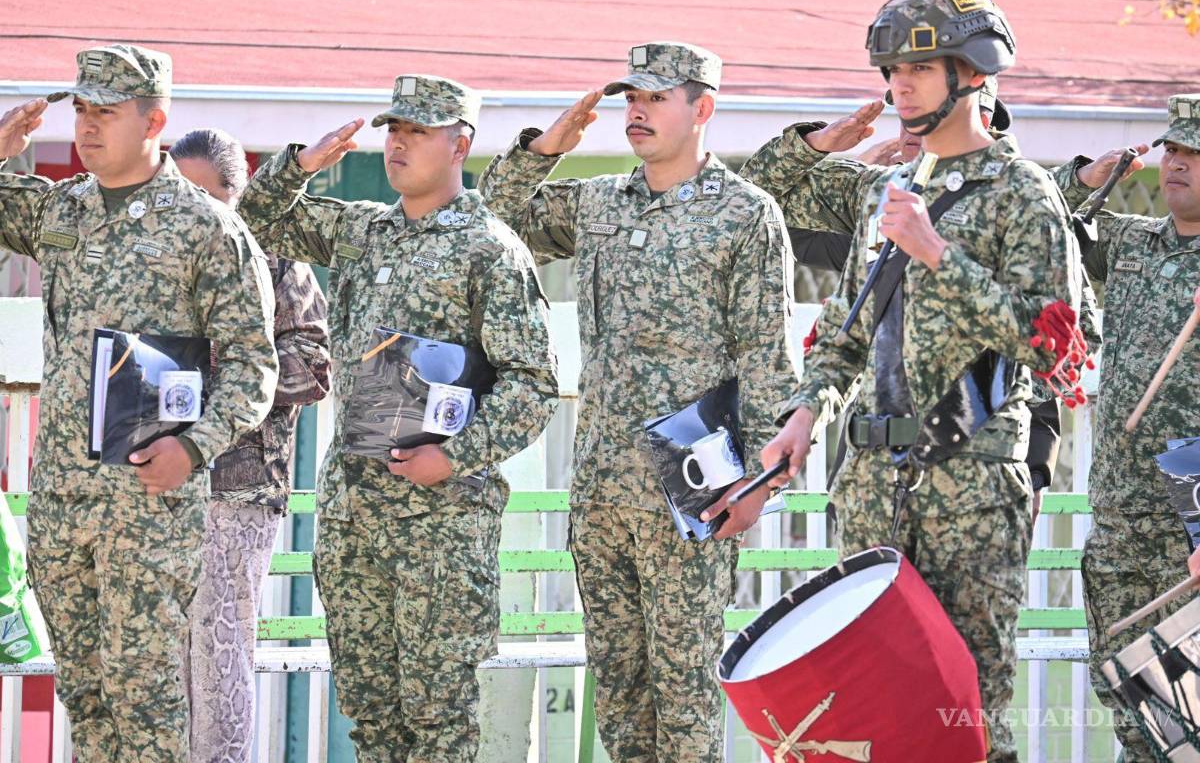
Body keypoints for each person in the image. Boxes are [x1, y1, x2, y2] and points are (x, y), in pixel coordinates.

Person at [739, 0, 1083, 761]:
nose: (898, 85)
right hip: (869, 486)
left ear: (972, 74)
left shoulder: (1022, 194)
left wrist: (941, 257)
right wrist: (805, 414)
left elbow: (1062, 350)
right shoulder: (887, 190)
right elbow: (845, 339)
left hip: (971, 485)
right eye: (892, 69)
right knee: (864, 715)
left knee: (964, 717)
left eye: (919, 67)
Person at [477, 41, 796, 761]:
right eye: (631, 99)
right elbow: (494, 215)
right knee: (619, 694)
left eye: (655, 98)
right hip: (600, 489)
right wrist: (548, 145)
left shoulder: (745, 215)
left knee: (683, 697)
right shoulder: (599, 203)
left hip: (694, 494)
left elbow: (767, 357)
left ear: (702, 108)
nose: (637, 112)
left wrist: (760, 486)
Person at [236, 74, 558, 761]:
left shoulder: (490, 248)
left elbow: (532, 386)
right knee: (373, 720)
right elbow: (257, 219)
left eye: (417, 130)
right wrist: (300, 166)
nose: (398, 142)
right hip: (356, 518)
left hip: (439, 524)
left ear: (460, 143)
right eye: (393, 129)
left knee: (438, 722)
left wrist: (456, 455)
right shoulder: (364, 231)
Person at [0, 44, 278, 761]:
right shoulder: (65, 210)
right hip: (64, 501)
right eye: (82, 111)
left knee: (147, 703)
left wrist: (194, 447)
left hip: (146, 509)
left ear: (154, 119)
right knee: (87, 701)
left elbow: (254, 362)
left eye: (107, 113)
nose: (87, 128)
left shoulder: (208, 229)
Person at [170, 127, 332, 763]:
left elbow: (315, 370)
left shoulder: (275, 264)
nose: (190, 208)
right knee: (144, 661)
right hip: (146, 486)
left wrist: (224, 366)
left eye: (203, 194)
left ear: (236, 194)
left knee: (218, 654)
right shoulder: (152, 261)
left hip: (234, 490)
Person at [1056, 94, 1200, 762]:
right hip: (1120, 512)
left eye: (1196, 155)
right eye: (1174, 150)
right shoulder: (1135, 244)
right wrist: (1089, 178)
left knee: (1188, 709)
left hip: (1189, 522)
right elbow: (1040, 220)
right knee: (1123, 686)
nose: (1179, 164)